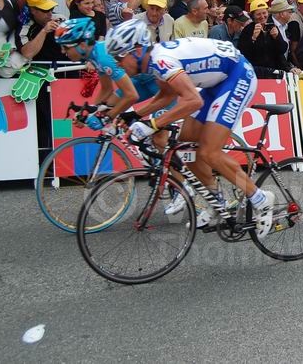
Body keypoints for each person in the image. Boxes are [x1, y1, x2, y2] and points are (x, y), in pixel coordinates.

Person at [105, 20, 275, 236]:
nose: (119, 64)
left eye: (120, 57)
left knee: (209, 152)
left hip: (238, 76)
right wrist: (136, 114)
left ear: (137, 51)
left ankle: (260, 198)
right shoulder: (154, 62)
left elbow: (193, 101)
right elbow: (168, 95)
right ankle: (218, 203)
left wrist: (154, 124)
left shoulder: (161, 61)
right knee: (186, 150)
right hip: (217, 82)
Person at [54, 18, 139, 130]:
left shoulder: (103, 58)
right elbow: (106, 89)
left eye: (65, 47)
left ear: (83, 45)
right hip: (139, 85)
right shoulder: (94, 56)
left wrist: (106, 118)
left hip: (155, 84)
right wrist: (88, 114)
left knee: (154, 139)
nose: (63, 52)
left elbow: (131, 95)